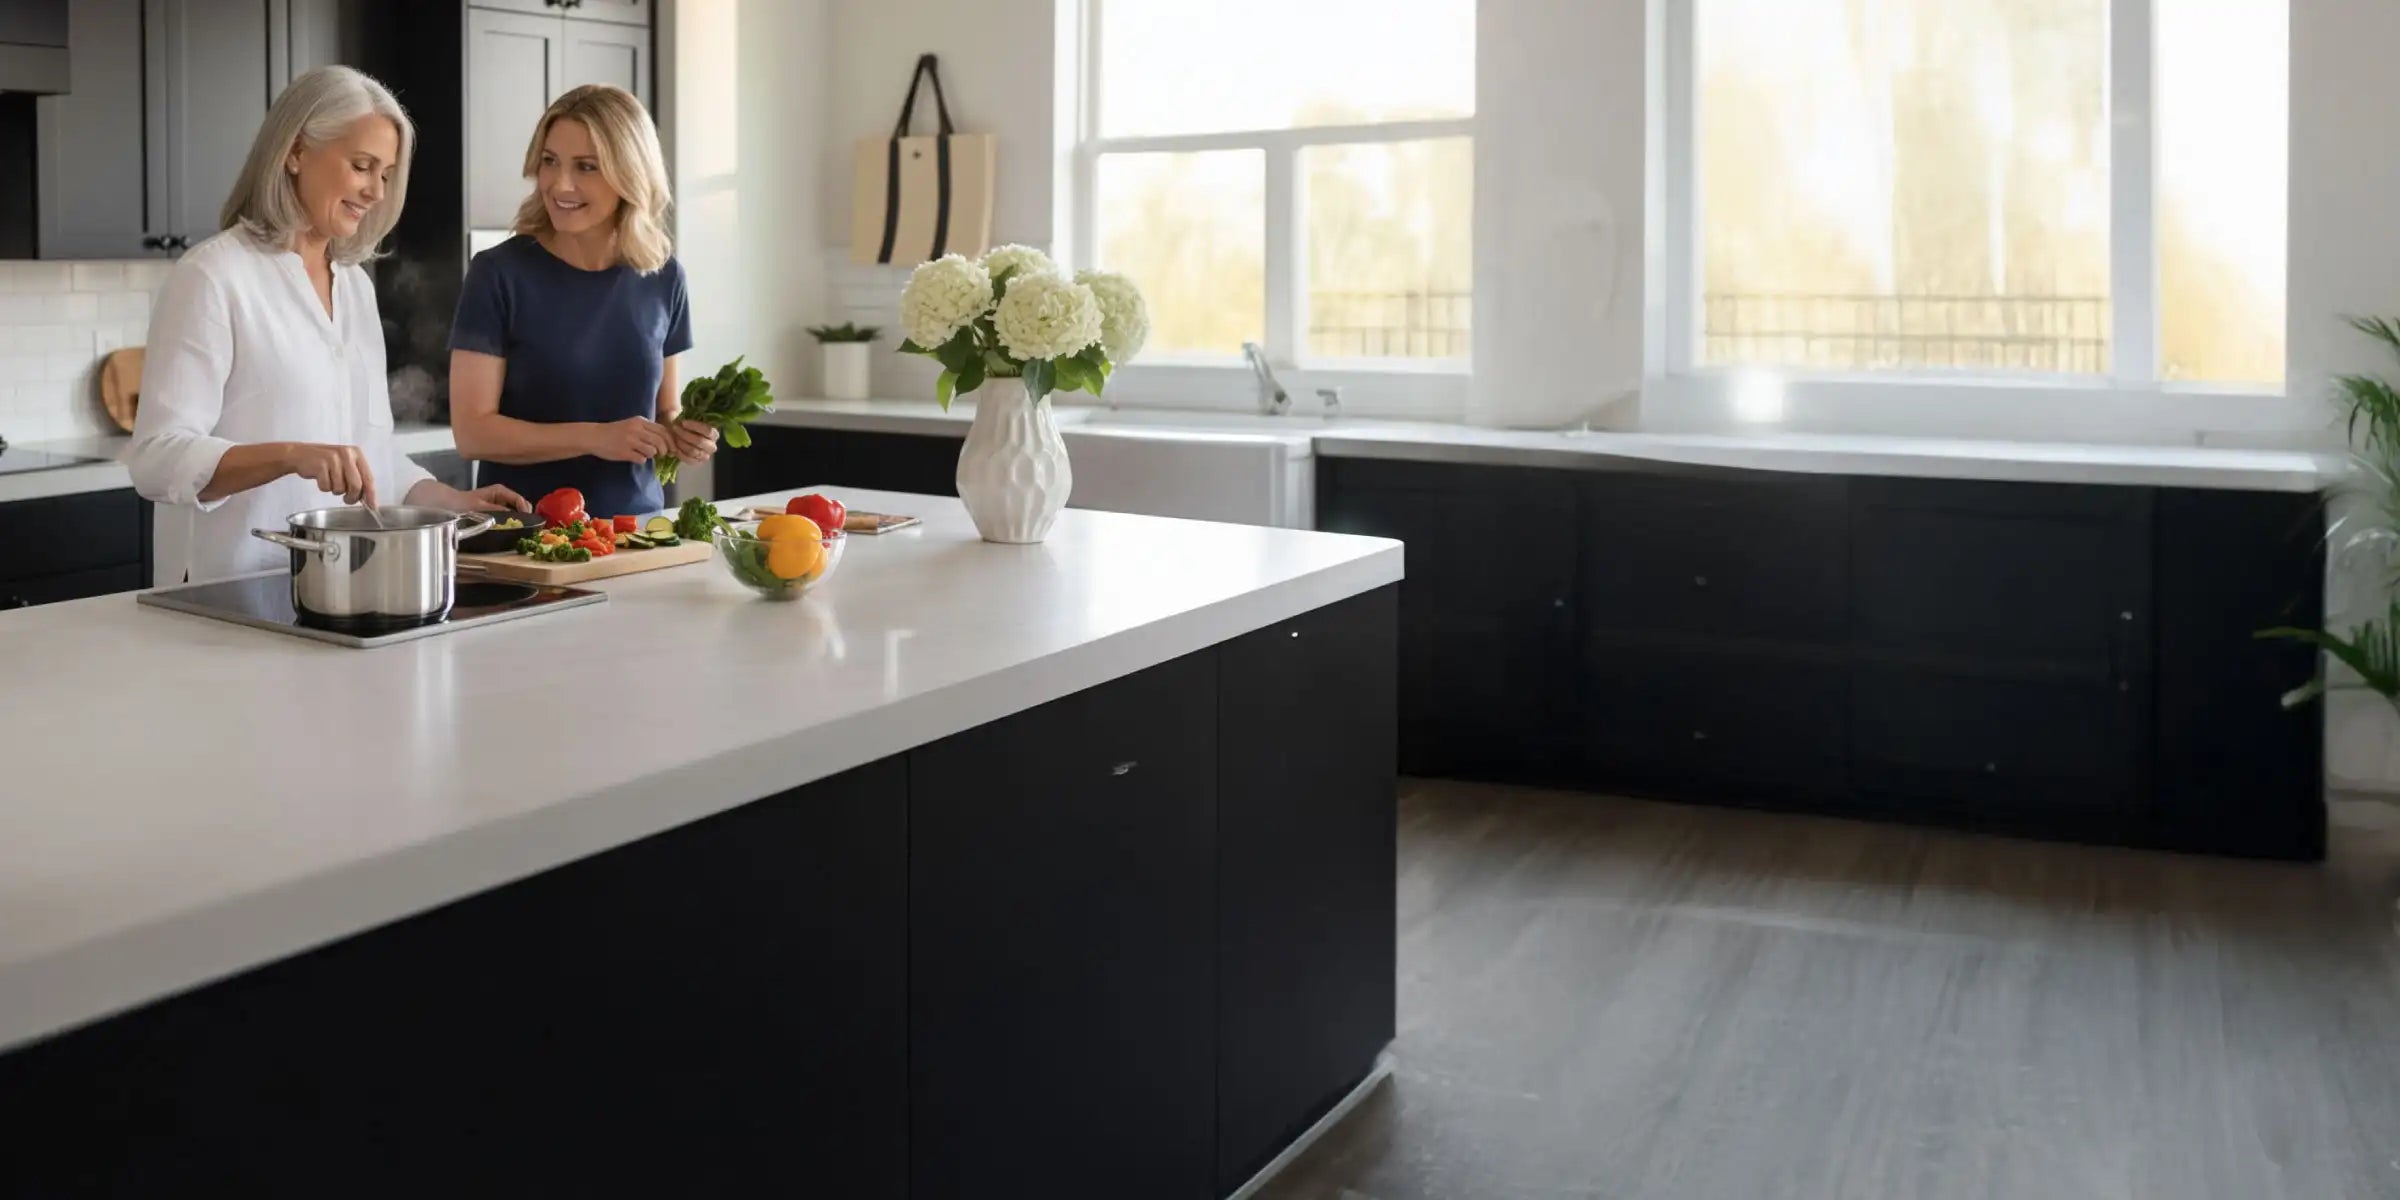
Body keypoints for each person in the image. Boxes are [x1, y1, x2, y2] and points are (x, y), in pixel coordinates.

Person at [128, 66, 526, 585]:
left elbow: (369, 453)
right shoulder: (213, 276)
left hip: (335, 588)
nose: (376, 192)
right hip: (227, 591)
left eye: (385, 173)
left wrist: (452, 501)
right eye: (362, 166)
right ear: (295, 152)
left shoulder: (354, 286)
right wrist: (292, 456)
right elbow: (156, 460)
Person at [447, 84, 713, 521]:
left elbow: (665, 411)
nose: (560, 183)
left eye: (586, 167)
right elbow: (474, 433)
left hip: (635, 533)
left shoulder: (664, 277)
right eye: (550, 161)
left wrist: (685, 435)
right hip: (525, 537)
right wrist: (595, 437)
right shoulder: (498, 274)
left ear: (630, 174)